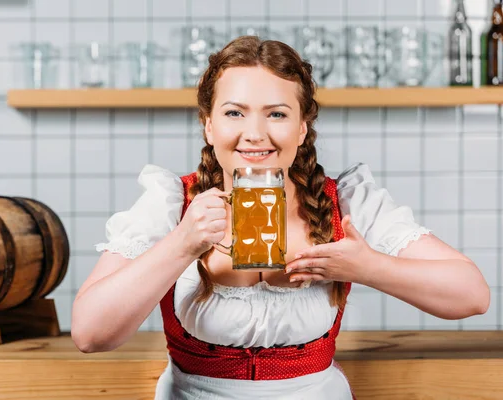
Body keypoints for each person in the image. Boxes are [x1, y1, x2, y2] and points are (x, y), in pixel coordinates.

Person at [71, 36, 490, 399]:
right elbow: (90, 334)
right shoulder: (173, 203)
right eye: (235, 113)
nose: (255, 133)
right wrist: (180, 245)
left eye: (277, 113)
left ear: (302, 128)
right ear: (208, 126)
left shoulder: (346, 201)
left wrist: (369, 266)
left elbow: (472, 295)